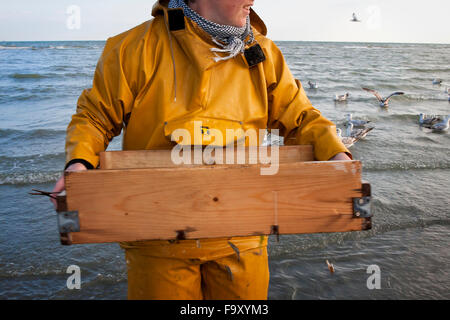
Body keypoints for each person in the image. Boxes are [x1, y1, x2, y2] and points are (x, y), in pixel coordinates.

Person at [51, 0, 352, 300]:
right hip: (157, 238)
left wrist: (337, 155)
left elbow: (301, 118)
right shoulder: (134, 47)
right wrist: (80, 162)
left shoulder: (262, 54)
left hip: (243, 235)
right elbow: (95, 116)